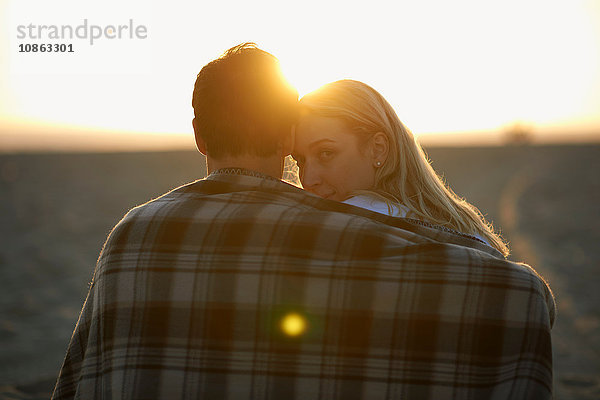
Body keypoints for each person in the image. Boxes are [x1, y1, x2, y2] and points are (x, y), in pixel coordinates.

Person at [52, 44, 555, 399]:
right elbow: (516, 294)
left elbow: (81, 376)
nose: (311, 177)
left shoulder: (131, 234)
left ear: (199, 137)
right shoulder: (337, 230)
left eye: (325, 155)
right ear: (284, 129)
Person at [293, 79, 507, 255]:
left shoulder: (331, 233)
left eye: (326, 153)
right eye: (299, 160)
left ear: (378, 148)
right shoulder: (468, 235)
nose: (308, 179)